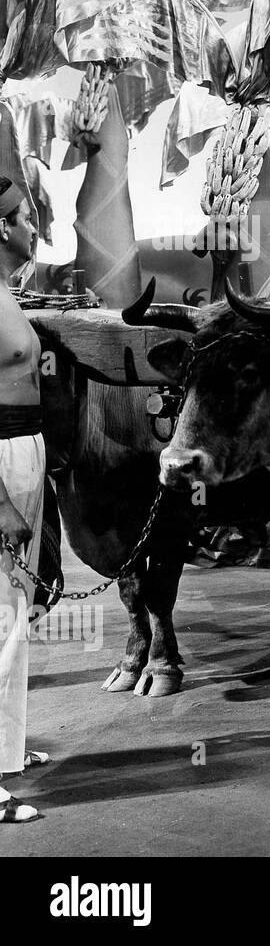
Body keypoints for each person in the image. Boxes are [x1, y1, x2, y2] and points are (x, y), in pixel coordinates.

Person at [0, 176, 46, 823]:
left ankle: (7, 749)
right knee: (1, 612)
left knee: (17, 609)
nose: (33, 220)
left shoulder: (6, 293)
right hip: (2, 459)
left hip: (24, 451)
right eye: (22, 214)